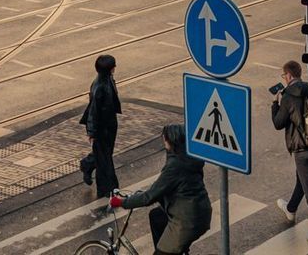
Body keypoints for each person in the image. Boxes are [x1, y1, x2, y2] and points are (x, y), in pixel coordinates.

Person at [110, 124, 212, 255]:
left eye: (165, 139)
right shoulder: (188, 157)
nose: (163, 141)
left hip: (187, 220)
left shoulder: (175, 165)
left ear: (171, 141)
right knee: (156, 216)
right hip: (200, 211)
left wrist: (121, 202)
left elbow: (149, 197)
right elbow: (168, 183)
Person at [270, 59, 308, 247]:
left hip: (301, 148)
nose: (284, 79)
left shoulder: (287, 96)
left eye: (283, 76)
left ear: (288, 76)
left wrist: (275, 104)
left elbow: (278, 123)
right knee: (301, 180)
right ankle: (291, 208)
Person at [79, 54, 122, 198]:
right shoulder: (99, 86)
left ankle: (88, 164)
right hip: (101, 127)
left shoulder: (107, 79)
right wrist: (91, 132)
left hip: (110, 124)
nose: (115, 68)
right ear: (109, 69)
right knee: (105, 159)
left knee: (104, 154)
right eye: (113, 66)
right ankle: (108, 188)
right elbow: (93, 111)